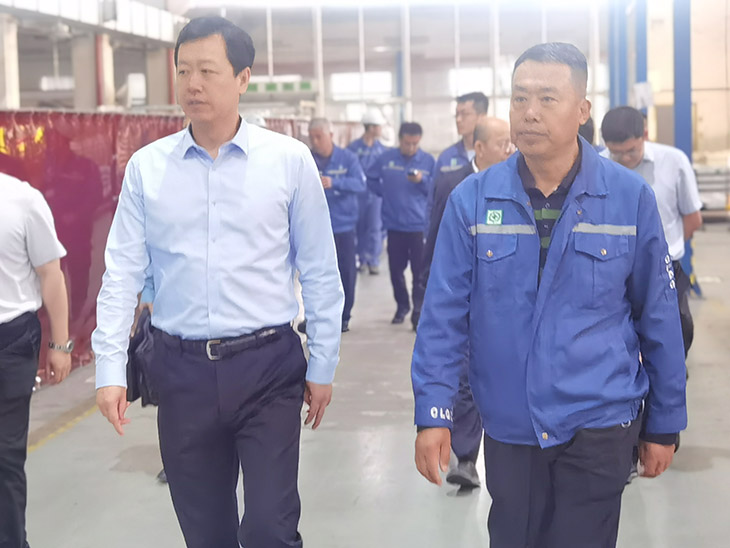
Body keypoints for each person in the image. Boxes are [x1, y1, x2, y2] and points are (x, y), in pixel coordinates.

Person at [411, 43, 687, 548]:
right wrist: (434, 412)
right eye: (519, 98)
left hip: (600, 418)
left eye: (546, 98)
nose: (529, 112)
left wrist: (664, 422)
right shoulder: (474, 201)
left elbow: (659, 317)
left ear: (582, 110)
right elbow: (442, 318)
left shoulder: (628, 199)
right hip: (511, 425)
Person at [92, 17, 344, 548]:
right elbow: (121, 275)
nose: (193, 84)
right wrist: (109, 369)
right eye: (184, 71)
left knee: (270, 528)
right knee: (206, 533)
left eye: (207, 71)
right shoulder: (147, 169)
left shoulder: (288, 162)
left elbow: (321, 268)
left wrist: (323, 363)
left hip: (267, 367)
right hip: (180, 372)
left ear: (243, 78)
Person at [420, 117, 512, 489]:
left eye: (511, 143)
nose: (509, 150)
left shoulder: (517, 184)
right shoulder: (452, 184)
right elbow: (434, 238)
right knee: (462, 378)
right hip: (462, 295)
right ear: (480, 147)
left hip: (501, 302)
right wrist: (426, 290)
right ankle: (467, 457)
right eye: (503, 143)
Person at [1, 171, 72, 548]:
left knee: (5, 457)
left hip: (10, 342)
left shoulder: (23, 201)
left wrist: (61, 345)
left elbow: (50, 273)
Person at [601, 106, 702, 358]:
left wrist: (660, 253)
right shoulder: (597, 167)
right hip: (614, 272)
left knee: (672, 341)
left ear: (645, 135)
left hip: (665, 270)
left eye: (631, 151)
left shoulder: (674, 162)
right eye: (616, 153)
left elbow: (692, 219)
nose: (625, 159)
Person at [366, 122, 435, 330]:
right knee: (396, 271)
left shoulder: (428, 161)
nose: (411, 147)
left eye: (415, 144)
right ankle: (402, 306)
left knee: (419, 273)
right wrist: (384, 193)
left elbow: (436, 189)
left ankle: (418, 311)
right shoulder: (386, 159)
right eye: (407, 143)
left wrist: (422, 180)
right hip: (394, 225)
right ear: (400, 140)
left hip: (418, 227)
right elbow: (370, 178)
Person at [309, 117, 366, 333]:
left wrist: (335, 183)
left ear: (331, 135)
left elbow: (360, 184)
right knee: (316, 275)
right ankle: (317, 317)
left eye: (319, 137)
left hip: (343, 227)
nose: (315, 142)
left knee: (346, 272)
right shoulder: (307, 159)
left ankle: (344, 316)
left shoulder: (348, 158)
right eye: (312, 137)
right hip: (316, 229)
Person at [348, 109, 388, 275]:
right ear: (371, 127)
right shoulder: (353, 149)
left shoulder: (383, 150)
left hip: (375, 195)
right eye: (379, 126)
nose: (381, 129)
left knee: (375, 227)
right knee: (359, 227)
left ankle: (373, 260)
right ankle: (361, 259)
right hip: (358, 195)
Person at [434, 91, 489, 176]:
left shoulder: (495, 153)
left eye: (464, 114)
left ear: (482, 116)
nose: (458, 120)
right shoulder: (447, 157)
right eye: (457, 114)